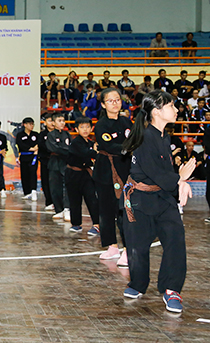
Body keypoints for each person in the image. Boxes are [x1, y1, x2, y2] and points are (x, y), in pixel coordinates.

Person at [121, 89, 195, 313]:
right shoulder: (144, 138)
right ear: (156, 111)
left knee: (175, 240)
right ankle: (138, 283)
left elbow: (165, 174)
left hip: (162, 198)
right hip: (140, 200)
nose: (175, 109)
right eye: (171, 106)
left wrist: (179, 182)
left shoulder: (165, 136)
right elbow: (156, 172)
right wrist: (180, 178)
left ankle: (171, 289)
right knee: (137, 247)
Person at [93, 88, 133, 267]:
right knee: (106, 211)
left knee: (124, 211)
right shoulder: (101, 125)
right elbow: (108, 145)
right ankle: (112, 246)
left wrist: (127, 148)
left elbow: (134, 140)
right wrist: (125, 148)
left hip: (125, 170)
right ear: (103, 104)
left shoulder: (127, 122)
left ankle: (127, 249)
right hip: (105, 172)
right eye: (110, 100)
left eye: (117, 99)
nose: (115, 103)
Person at [66, 116, 99, 234]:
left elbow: (95, 156)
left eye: (87, 127)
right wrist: (94, 152)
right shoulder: (75, 142)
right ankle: (76, 224)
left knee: (92, 199)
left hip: (86, 174)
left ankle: (97, 224)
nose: (85, 129)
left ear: (91, 128)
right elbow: (86, 154)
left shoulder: (91, 142)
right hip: (73, 174)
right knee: (74, 199)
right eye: (82, 127)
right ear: (76, 129)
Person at [46, 113, 71, 221]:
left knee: (67, 187)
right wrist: (66, 150)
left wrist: (66, 150)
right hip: (54, 163)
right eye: (59, 120)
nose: (62, 123)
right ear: (54, 123)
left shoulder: (67, 134)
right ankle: (59, 210)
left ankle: (67, 209)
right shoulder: (50, 135)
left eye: (63, 120)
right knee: (55, 188)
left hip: (65, 163)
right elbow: (54, 148)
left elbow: (70, 147)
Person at [16, 117, 39, 201]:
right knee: (25, 174)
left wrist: (36, 149)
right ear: (25, 125)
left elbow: (38, 143)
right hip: (24, 156)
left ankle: (33, 191)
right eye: (29, 124)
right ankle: (27, 192)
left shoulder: (36, 134)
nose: (31, 126)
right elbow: (20, 144)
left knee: (33, 173)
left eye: (32, 124)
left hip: (33, 157)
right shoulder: (20, 135)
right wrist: (31, 148)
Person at [38, 113, 54, 210]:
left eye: (53, 120)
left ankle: (57, 202)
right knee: (46, 181)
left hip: (56, 161)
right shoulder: (42, 135)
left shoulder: (59, 134)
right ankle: (49, 201)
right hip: (45, 161)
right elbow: (43, 146)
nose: (52, 123)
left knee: (56, 182)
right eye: (49, 121)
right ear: (45, 122)